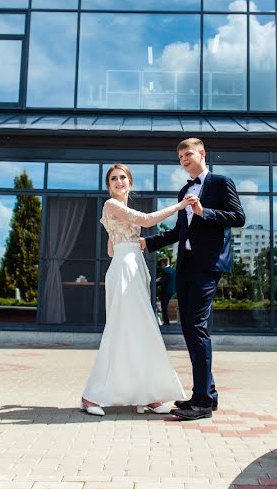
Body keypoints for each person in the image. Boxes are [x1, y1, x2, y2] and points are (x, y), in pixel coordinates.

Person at [142, 138, 245, 421]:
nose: (183, 160)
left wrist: (204, 212)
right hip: (186, 266)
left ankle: (200, 401)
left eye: (187, 154)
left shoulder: (221, 183)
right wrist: (147, 243)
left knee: (196, 327)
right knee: (188, 328)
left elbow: (238, 217)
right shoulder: (184, 191)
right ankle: (207, 395)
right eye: (179, 157)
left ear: (202, 154)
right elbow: (179, 231)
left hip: (208, 265)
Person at [80, 163, 194, 417]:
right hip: (124, 269)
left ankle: (148, 396)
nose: (119, 182)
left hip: (133, 265)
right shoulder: (111, 205)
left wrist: (125, 243)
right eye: (114, 179)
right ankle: (90, 397)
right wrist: (179, 206)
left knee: (142, 330)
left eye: (123, 178)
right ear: (109, 186)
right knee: (121, 330)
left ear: (129, 183)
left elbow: (111, 248)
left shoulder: (120, 210)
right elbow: (146, 220)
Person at [156, 256, 176, 326]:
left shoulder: (165, 270)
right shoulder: (173, 270)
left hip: (165, 291)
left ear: (164, 262)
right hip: (171, 291)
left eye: (162, 263)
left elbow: (163, 281)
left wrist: (155, 283)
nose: (161, 265)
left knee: (164, 307)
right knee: (165, 306)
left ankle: (166, 322)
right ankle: (166, 321)